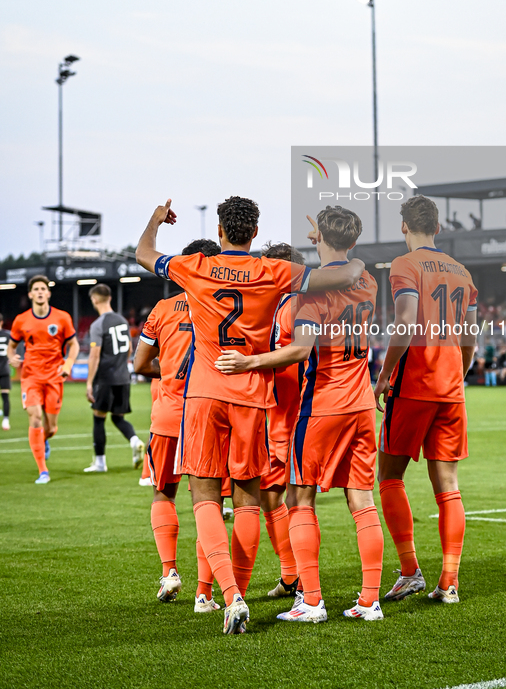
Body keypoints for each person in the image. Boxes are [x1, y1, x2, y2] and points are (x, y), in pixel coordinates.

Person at [136, 195, 365, 635]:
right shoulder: (273, 270)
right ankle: (238, 590)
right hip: (252, 398)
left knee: (204, 495)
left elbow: (144, 253)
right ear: (255, 234)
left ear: (220, 230)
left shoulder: (196, 267)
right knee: (246, 500)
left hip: (204, 395)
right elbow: (348, 272)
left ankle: (228, 595)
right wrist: (324, 241)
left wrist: (156, 219)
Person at [217, 206, 384, 624]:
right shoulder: (369, 281)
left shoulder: (312, 296)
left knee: (299, 498)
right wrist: (330, 243)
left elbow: (298, 351)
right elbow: (346, 263)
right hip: (363, 401)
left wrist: (248, 363)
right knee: (362, 500)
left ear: (320, 239)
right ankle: (369, 601)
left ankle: (311, 600)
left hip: (322, 405)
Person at [374, 195, 477, 604]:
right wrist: (459, 373)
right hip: (451, 388)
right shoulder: (462, 271)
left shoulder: (405, 264)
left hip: (414, 384)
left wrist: (383, 375)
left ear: (404, 226)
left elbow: (404, 322)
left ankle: (409, 570)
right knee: (449, 486)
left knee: (389, 477)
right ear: (438, 227)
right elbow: (469, 338)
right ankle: (448, 582)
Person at [133, 238, 223, 609]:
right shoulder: (223, 307)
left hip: (169, 416)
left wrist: (167, 371)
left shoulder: (163, 308)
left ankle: (169, 571)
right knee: (208, 503)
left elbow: (139, 365)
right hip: (209, 415)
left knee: (162, 494)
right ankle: (205, 593)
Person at [259, 242, 306, 600]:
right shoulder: (302, 304)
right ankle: (293, 576)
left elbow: (290, 357)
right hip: (294, 412)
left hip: (288, 414)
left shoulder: (291, 307)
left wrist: (250, 362)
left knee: (284, 497)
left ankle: (300, 579)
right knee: (274, 494)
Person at [7, 275, 79, 483]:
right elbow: (11, 347)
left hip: (55, 377)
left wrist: (68, 364)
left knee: (50, 428)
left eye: (43, 289)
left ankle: (44, 439)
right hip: (30, 377)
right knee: (35, 418)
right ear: (30, 294)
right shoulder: (21, 320)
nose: (39, 292)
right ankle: (43, 471)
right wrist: (12, 358)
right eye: (35, 289)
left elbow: (73, 345)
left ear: (48, 293)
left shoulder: (62, 317)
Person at [83, 284, 144, 473]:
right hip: (123, 377)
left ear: (94, 300)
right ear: (109, 298)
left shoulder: (98, 324)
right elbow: (130, 350)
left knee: (98, 418)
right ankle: (135, 441)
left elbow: (94, 355)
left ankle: (100, 463)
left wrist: (89, 383)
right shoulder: (123, 321)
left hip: (106, 378)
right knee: (118, 418)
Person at [0, 314, 12, 430]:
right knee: (5, 396)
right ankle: (6, 421)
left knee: (5, 396)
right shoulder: (7, 335)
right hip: (4, 369)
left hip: (3, 370)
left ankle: (5, 419)